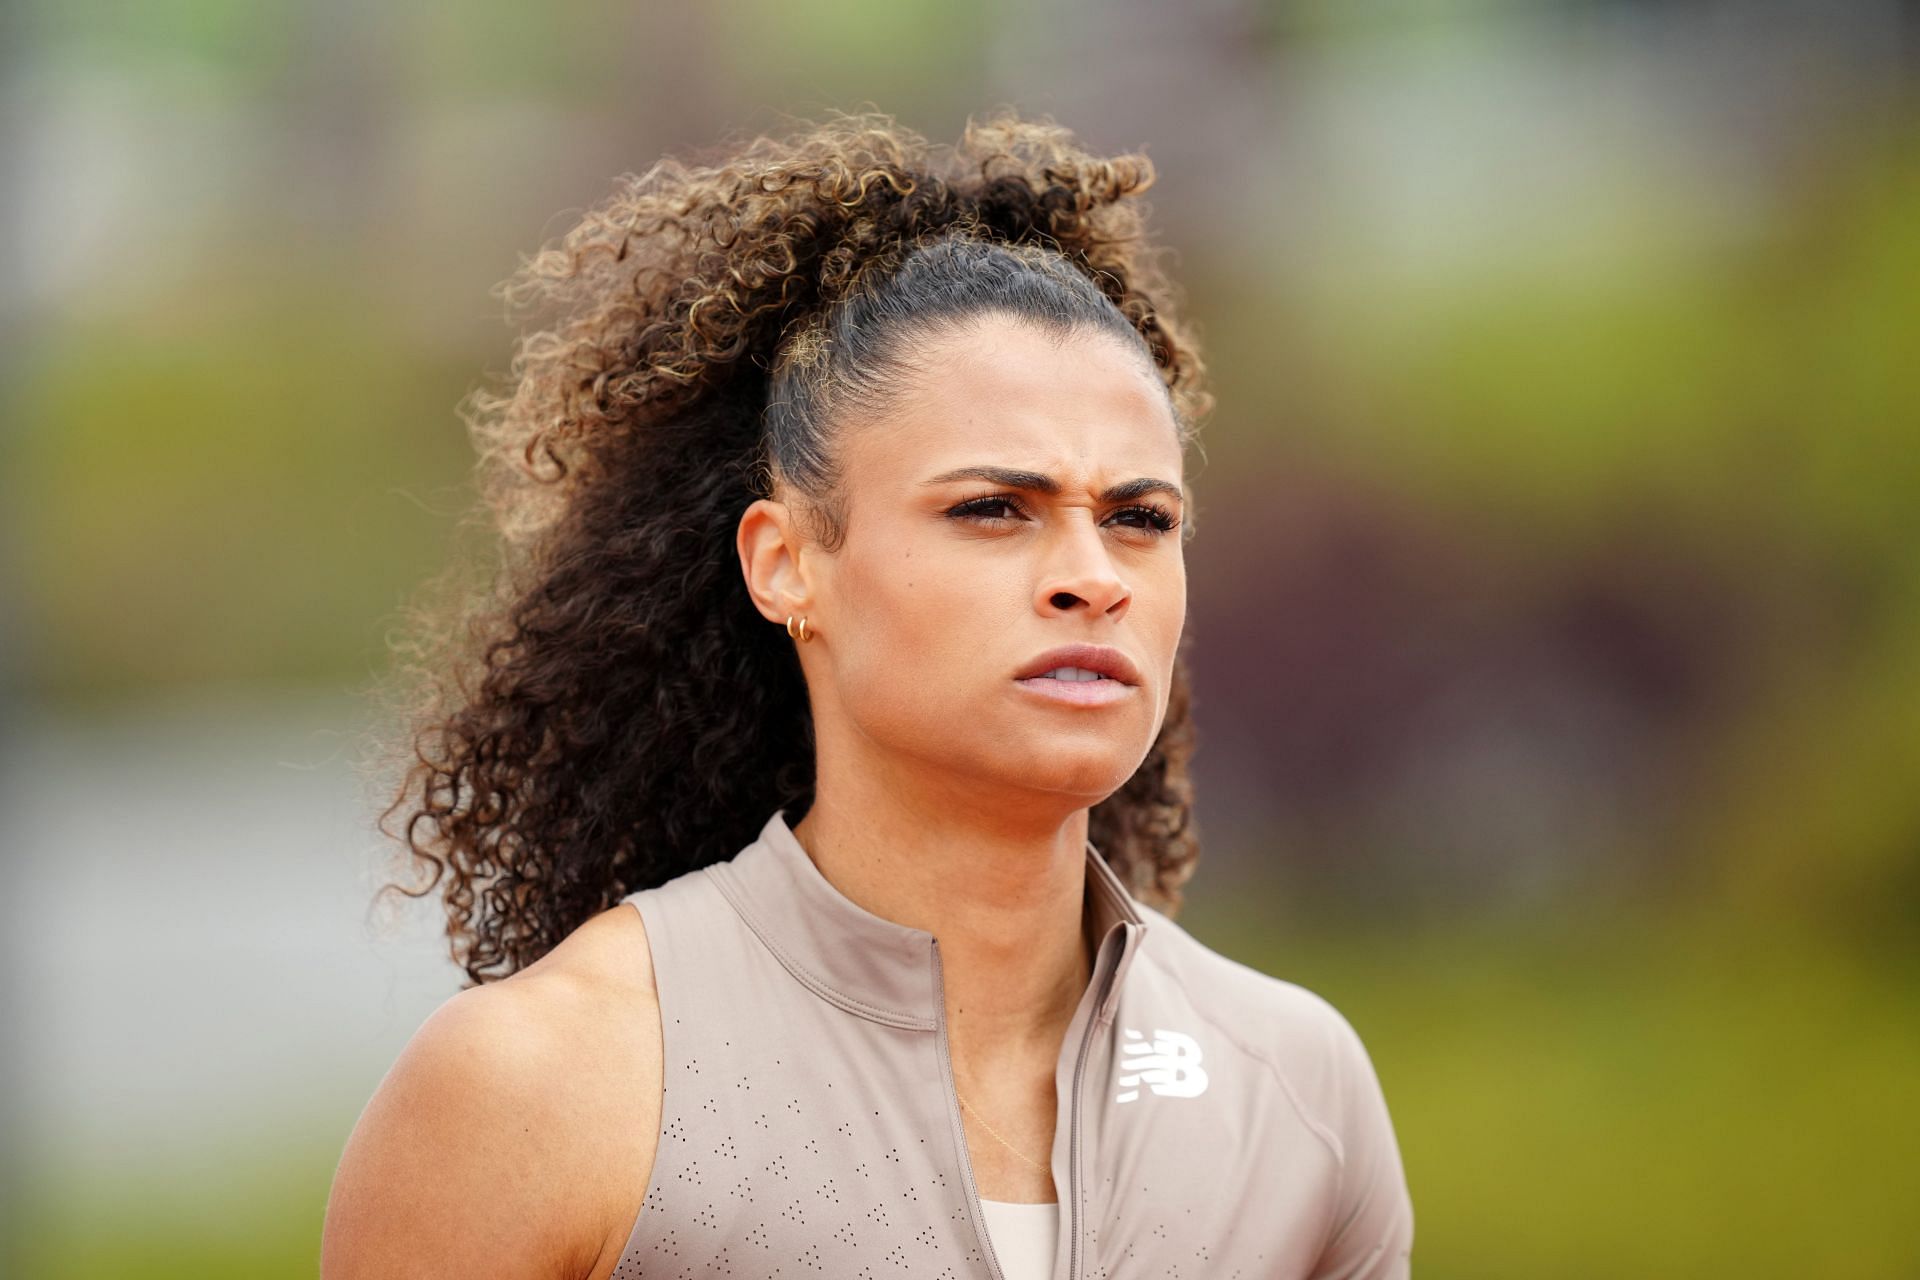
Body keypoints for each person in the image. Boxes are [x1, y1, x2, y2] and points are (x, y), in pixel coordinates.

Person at [321, 108, 1414, 1280]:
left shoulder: (1296, 1093)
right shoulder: (545, 1086)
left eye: (1140, 519)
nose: (1094, 578)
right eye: (993, 508)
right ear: (785, 564)